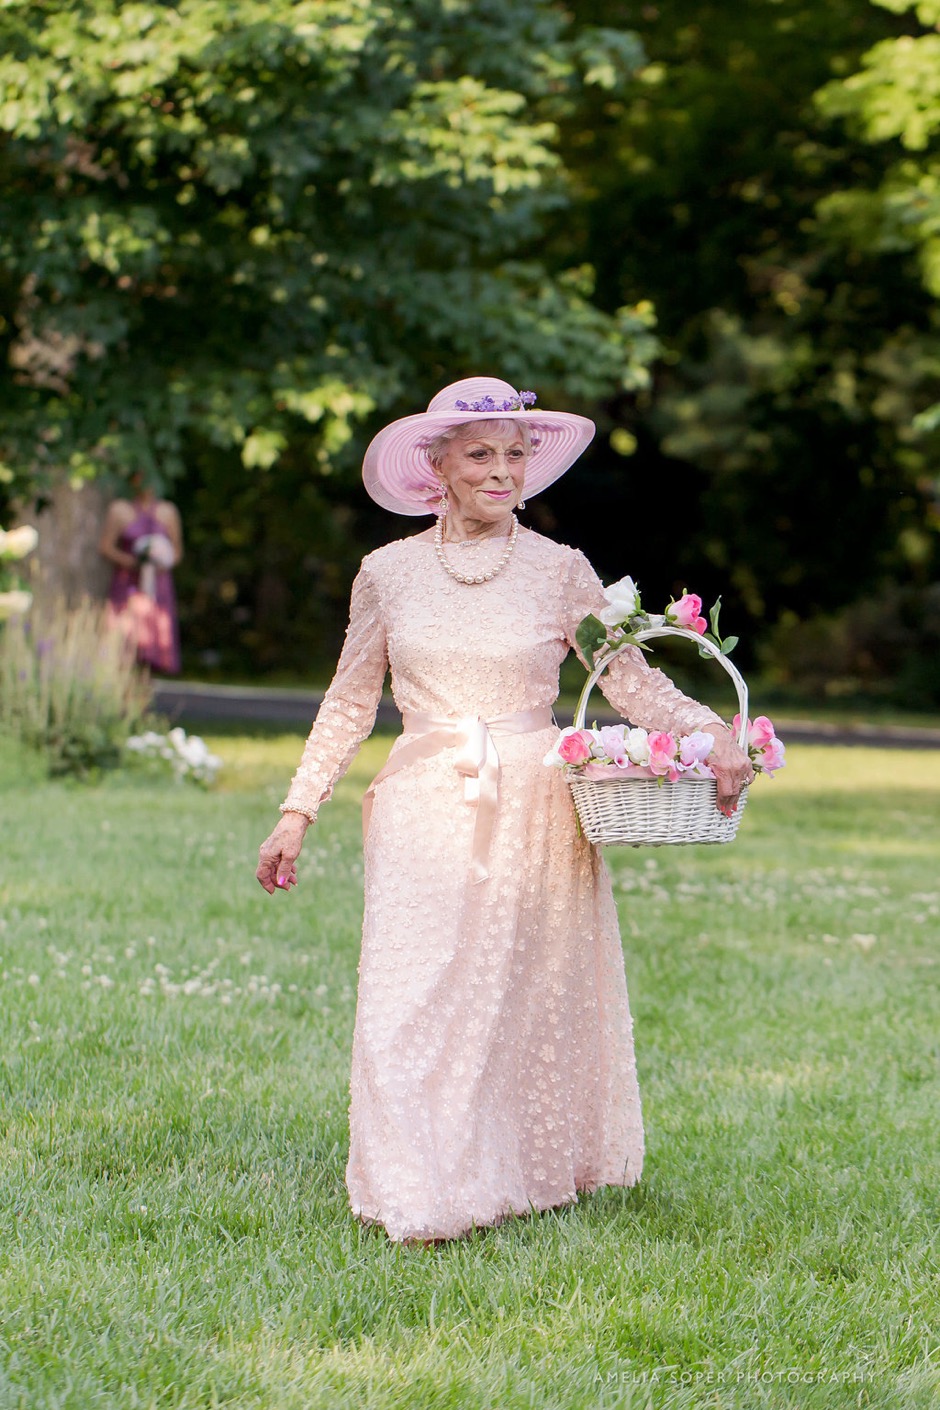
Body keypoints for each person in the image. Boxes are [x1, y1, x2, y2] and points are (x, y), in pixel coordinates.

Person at [256, 376, 752, 1245]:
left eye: (516, 455)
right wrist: (298, 811)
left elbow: (632, 684)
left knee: (516, 1000)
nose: (502, 471)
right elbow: (346, 703)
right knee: (409, 997)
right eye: (480, 454)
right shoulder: (386, 574)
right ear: (436, 465)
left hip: (536, 807)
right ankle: (417, 1189)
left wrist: (716, 735)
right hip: (421, 799)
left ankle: (509, 1172)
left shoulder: (562, 573)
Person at [99, 472, 182, 674]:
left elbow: (177, 551)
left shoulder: (168, 511)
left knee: (152, 639)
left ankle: (145, 690)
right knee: (125, 639)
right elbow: (105, 547)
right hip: (128, 584)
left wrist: (159, 562)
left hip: (157, 585)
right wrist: (133, 562)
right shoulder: (120, 510)